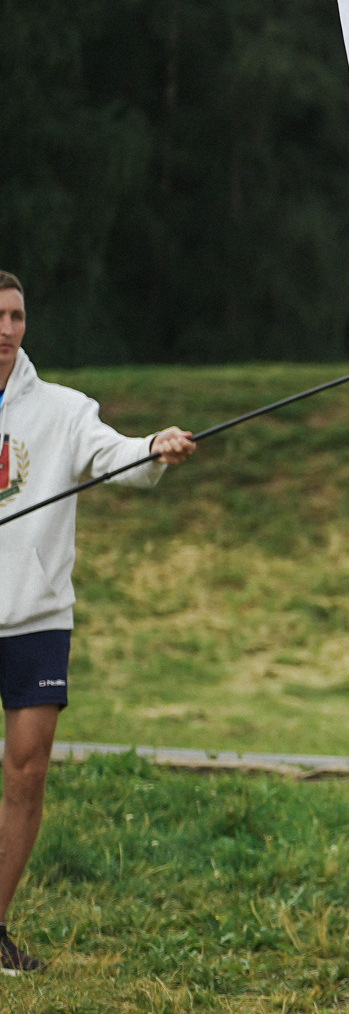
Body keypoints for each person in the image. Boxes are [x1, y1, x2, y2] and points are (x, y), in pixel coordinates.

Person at [0, 270, 198, 976]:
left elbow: (117, 456)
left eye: (17, 316)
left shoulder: (60, 410)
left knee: (26, 774)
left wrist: (155, 446)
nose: (6, 329)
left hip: (38, 619)